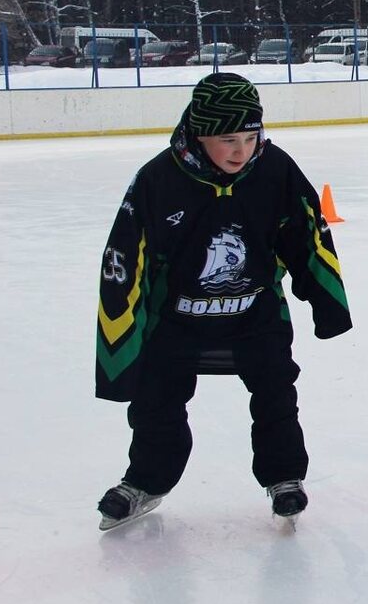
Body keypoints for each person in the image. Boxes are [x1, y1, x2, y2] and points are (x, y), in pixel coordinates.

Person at [95, 72, 352, 530]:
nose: (241, 151)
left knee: (276, 393)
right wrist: (118, 352)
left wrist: (328, 303)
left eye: (251, 138)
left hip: (256, 315)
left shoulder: (277, 170)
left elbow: (308, 235)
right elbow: (123, 263)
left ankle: (284, 477)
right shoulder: (158, 179)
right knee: (156, 403)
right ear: (199, 135)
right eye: (228, 140)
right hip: (175, 321)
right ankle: (145, 482)